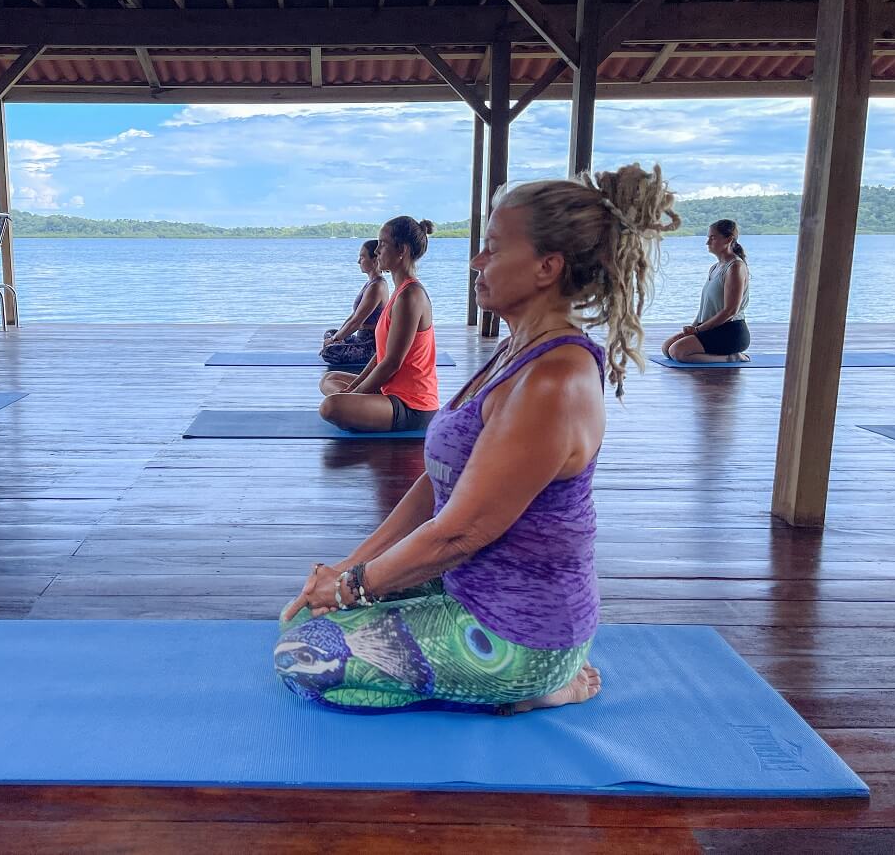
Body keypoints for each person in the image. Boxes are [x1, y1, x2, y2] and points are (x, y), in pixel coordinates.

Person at [276, 163, 679, 714]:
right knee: (307, 614)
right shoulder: (514, 352)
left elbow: (458, 534)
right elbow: (434, 484)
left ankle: (544, 685)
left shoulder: (553, 381)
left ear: (546, 266)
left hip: (517, 630)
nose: (475, 262)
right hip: (466, 586)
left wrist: (352, 589)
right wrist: (348, 567)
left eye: (492, 247)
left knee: (302, 653)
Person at [317, 217, 439, 433]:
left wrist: (355, 395)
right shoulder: (399, 292)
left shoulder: (410, 296)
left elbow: (391, 363)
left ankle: (362, 410)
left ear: (401, 249)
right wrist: (356, 388)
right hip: (389, 392)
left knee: (331, 406)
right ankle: (363, 408)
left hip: (412, 406)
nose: (377, 252)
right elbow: (381, 355)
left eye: (382, 244)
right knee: (330, 378)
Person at [661, 219, 751, 363]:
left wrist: (698, 331)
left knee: (677, 352)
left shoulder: (735, 267)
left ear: (728, 239)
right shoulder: (715, 268)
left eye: (713, 238)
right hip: (711, 328)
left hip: (730, 331)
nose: (707, 242)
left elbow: (730, 311)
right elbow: (706, 307)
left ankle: (730, 357)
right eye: (708, 237)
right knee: (667, 348)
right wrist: (694, 327)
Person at [319, 239, 388, 367]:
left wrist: (335, 341)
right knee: (330, 332)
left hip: (372, 345)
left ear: (374, 261)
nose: (358, 262)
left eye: (362, 257)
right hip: (360, 339)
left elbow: (357, 321)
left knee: (329, 351)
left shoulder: (377, 287)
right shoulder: (370, 283)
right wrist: (336, 337)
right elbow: (354, 316)